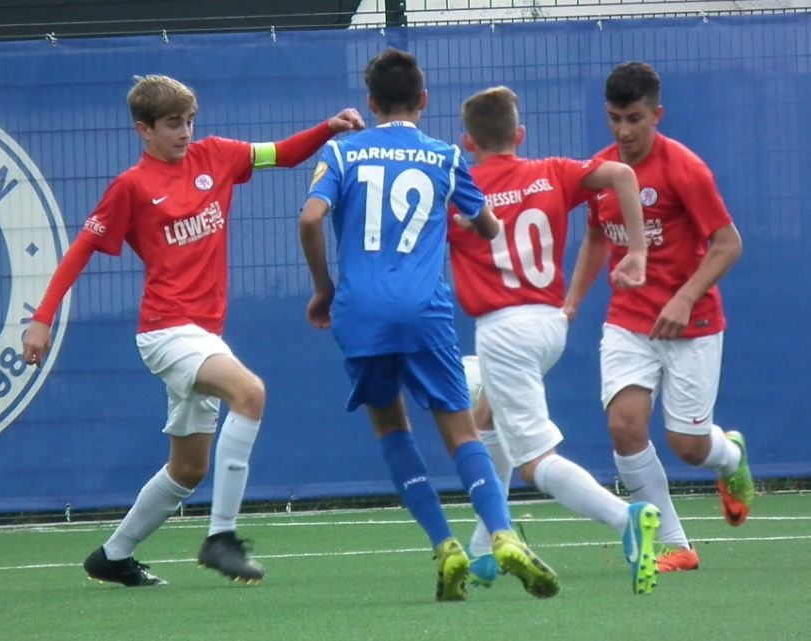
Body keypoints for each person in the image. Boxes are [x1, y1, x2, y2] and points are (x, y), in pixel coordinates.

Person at [22, 74, 365, 587]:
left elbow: (283, 155)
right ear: (143, 130)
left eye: (188, 121)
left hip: (204, 335)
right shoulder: (132, 186)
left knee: (187, 470)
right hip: (165, 332)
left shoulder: (216, 155)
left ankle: (113, 556)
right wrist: (42, 317)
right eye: (172, 124)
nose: (184, 132)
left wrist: (328, 128)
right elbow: (81, 250)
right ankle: (221, 537)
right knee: (250, 393)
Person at [298, 48, 559, 602]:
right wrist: (467, 216)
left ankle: (445, 546)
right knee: (462, 432)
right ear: (423, 99)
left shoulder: (342, 150)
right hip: (425, 310)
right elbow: (489, 227)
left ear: (371, 103)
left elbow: (311, 219)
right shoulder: (444, 156)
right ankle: (503, 534)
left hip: (362, 311)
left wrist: (324, 288)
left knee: (392, 429)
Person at [447, 86, 660, 595]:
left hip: (504, 331)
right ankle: (485, 546)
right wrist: (637, 250)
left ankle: (625, 518)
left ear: (467, 142)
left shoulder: (461, 189)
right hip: (550, 322)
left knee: (534, 462)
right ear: (519, 135)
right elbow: (623, 175)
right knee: (486, 417)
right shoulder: (553, 171)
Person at [564, 61, 754, 573]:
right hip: (628, 321)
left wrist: (684, 298)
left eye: (634, 119)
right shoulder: (602, 172)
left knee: (688, 446)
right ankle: (675, 545)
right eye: (614, 118)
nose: (623, 131)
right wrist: (572, 302)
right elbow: (596, 238)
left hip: (692, 324)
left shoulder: (685, 169)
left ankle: (730, 457)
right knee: (624, 426)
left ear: (656, 115)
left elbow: (729, 244)